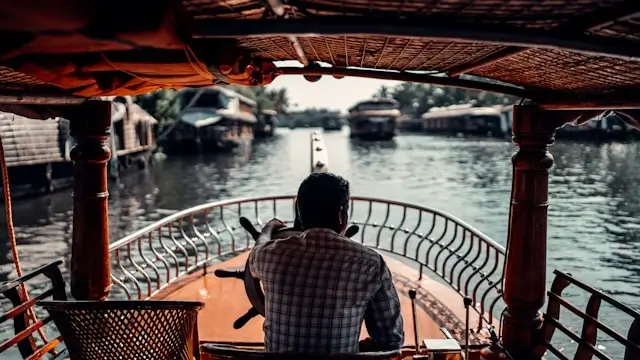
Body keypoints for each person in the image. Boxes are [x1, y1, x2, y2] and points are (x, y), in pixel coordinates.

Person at [247, 172, 404, 354]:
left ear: (300, 211)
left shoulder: (270, 255)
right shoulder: (371, 264)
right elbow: (391, 341)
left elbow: (255, 253)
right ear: (341, 214)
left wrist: (268, 229)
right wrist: (353, 349)